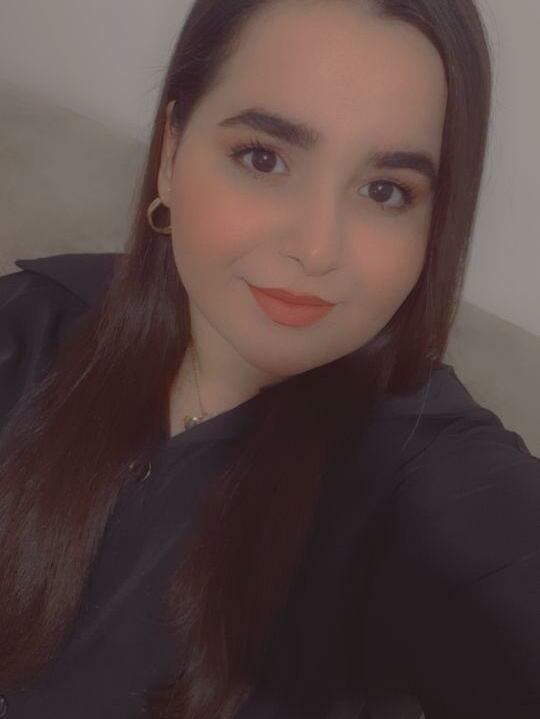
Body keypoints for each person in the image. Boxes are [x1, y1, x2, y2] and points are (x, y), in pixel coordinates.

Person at [0, 0, 538, 717]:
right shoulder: (30, 324)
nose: (316, 248)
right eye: (263, 158)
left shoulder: (421, 472)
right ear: (170, 155)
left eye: (385, 191)